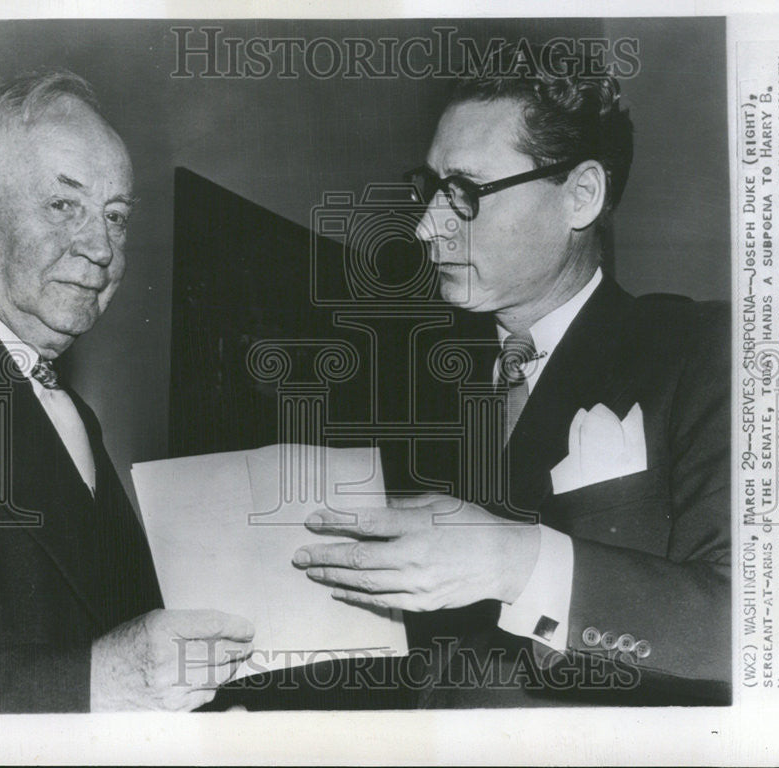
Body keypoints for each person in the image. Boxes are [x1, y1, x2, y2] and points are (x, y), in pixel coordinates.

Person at [293, 43, 730, 706]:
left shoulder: (701, 351)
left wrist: (513, 561)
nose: (425, 227)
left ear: (580, 196)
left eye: (465, 192)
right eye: (430, 188)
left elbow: (749, 627)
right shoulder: (408, 382)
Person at [0, 70, 254, 713]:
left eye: (116, 215)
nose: (102, 247)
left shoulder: (74, 416)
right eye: (63, 204)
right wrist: (106, 682)